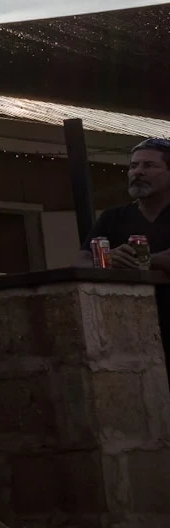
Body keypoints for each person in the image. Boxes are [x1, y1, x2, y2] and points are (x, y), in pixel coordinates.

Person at [90, 138, 170, 365]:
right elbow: (82, 261)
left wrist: (143, 259)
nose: (138, 172)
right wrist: (108, 258)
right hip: (130, 332)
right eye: (133, 166)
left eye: (149, 166)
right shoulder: (112, 217)